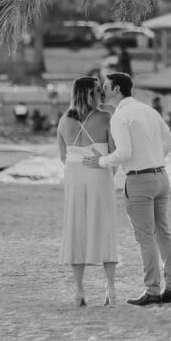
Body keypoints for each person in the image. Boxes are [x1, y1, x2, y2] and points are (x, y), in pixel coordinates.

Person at [85, 72, 171, 306]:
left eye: (106, 86)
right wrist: (153, 157)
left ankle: (153, 290)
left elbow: (124, 153)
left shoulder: (120, 116)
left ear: (117, 89)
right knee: (163, 233)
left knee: (146, 238)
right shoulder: (148, 110)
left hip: (139, 180)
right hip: (161, 176)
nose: (103, 90)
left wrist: (101, 161)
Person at [57, 77, 118, 307]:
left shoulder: (64, 121)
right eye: (98, 92)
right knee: (104, 227)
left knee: (76, 228)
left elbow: (63, 157)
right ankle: (110, 289)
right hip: (98, 175)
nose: (101, 95)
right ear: (90, 94)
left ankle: (79, 291)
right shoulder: (105, 118)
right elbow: (114, 152)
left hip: (74, 177)